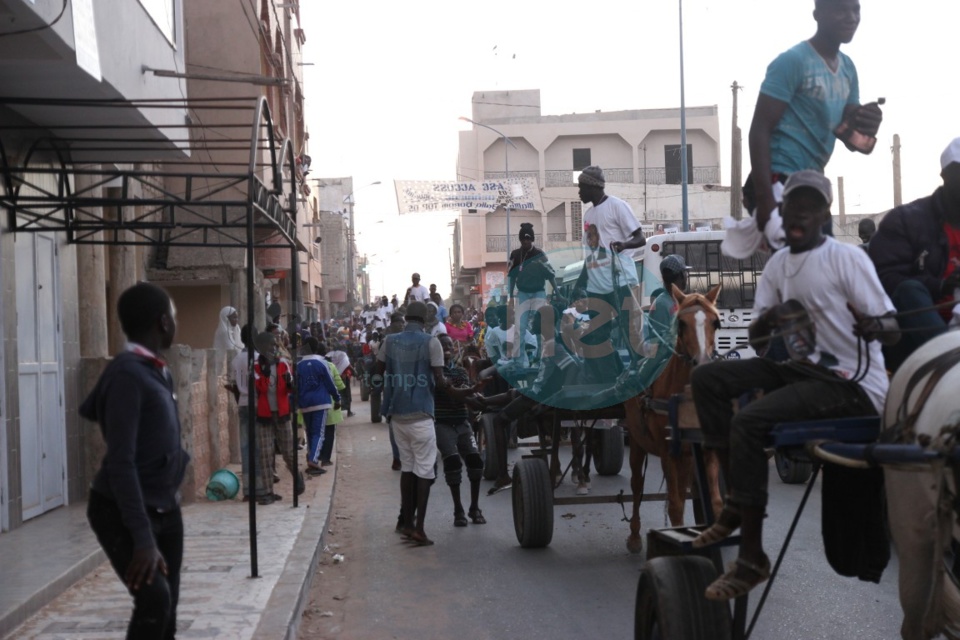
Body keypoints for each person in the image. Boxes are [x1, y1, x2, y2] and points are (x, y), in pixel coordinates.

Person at [688, 171, 899, 600]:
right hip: (803, 371)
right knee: (706, 377)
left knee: (748, 422)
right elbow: (759, 343)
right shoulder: (779, 265)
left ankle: (751, 559)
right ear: (783, 212)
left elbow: (893, 329)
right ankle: (732, 500)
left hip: (851, 383)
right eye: (793, 205)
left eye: (811, 206)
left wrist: (874, 325)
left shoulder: (846, 259)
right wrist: (771, 318)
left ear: (824, 213)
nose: (800, 212)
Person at [81, 282, 188, 639]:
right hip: (123, 510)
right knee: (154, 599)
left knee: (167, 608)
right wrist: (142, 539)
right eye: (172, 314)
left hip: (164, 508)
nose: (175, 321)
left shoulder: (155, 369)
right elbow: (121, 462)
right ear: (162, 322)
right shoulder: (127, 373)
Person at [745, 0, 882, 244]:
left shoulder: (848, 68)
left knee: (817, 267)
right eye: (841, 9)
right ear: (818, 14)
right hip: (778, 178)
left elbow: (853, 141)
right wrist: (765, 198)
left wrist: (869, 124)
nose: (851, 17)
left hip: (811, 184)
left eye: (856, 9)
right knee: (806, 264)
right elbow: (759, 129)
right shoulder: (792, 61)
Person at [377, 301, 475, 545]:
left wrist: (390, 385)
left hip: (397, 415)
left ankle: (407, 523)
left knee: (408, 468)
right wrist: (460, 391)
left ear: (406, 317)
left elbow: (376, 371)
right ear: (426, 320)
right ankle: (419, 528)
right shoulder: (431, 342)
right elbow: (440, 380)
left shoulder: (389, 341)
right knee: (424, 472)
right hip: (421, 415)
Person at [868, 137, 960, 372]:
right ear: (945, 176)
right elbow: (882, 279)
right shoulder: (906, 220)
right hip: (913, 334)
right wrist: (940, 286)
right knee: (910, 290)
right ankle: (952, 364)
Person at [574, 167, 646, 381]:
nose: (579, 192)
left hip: (621, 282)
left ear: (591, 186)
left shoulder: (617, 206)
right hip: (597, 288)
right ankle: (615, 377)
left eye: (581, 187)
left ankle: (640, 373)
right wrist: (579, 283)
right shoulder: (588, 215)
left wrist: (623, 244)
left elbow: (640, 238)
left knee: (629, 330)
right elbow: (590, 254)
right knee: (594, 336)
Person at [434, 334, 486, 527]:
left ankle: (474, 507)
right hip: (443, 423)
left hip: (462, 423)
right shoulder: (434, 373)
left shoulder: (460, 372)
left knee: (475, 460)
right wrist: (471, 394)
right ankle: (458, 509)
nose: (447, 348)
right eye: (442, 345)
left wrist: (473, 396)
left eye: (449, 345)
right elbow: (458, 393)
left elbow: (464, 391)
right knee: (453, 462)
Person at [253, 331, 304, 505]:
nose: (275, 348)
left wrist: (291, 385)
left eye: (276, 345)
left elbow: (289, 387)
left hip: (282, 412)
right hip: (264, 414)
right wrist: (266, 374)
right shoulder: (256, 366)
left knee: (288, 451)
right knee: (266, 455)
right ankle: (267, 492)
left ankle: (297, 476)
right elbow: (260, 387)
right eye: (271, 345)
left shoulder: (283, 364)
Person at [634, 254, 691, 390]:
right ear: (680, 277)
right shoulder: (662, 303)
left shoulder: (678, 300)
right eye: (685, 273)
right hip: (662, 353)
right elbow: (661, 343)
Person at [507, 222, 558, 357]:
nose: (526, 241)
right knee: (519, 328)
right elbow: (511, 277)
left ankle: (542, 357)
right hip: (522, 294)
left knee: (541, 326)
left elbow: (550, 275)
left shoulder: (540, 254)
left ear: (532, 239)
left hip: (538, 293)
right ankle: (519, 360)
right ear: (520, 239)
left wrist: (557, 293)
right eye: (523, 238)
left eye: (528, 238)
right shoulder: (515, 255)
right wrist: (510, 297)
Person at [229, 324, 265, 501]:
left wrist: (240, 401)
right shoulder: (260, 359)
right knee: (261, 447)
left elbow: (234, 386)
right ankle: (260, 488)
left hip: (243, 404)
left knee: (246, 447)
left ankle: (248, 490)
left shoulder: (236, 360)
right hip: (259, 405)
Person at [297, 337, 341, 476]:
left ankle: (311, 456)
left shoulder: (298, 365)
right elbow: (330, 383)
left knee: (310, 432)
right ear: (316, 348)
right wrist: (337, 397)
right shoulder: (322, 363)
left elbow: (294, 385)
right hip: (320, 402)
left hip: (304, 403)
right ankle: (314, 460)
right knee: (319, 433)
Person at [325, 342, 354, 417]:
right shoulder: (343, 354)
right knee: (347, 393)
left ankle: (334, 410)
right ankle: (349, 411)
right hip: (344, 377)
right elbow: (348, 364)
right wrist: (355, 372)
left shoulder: (329, 354)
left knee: (334, 393)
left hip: (332, 376)